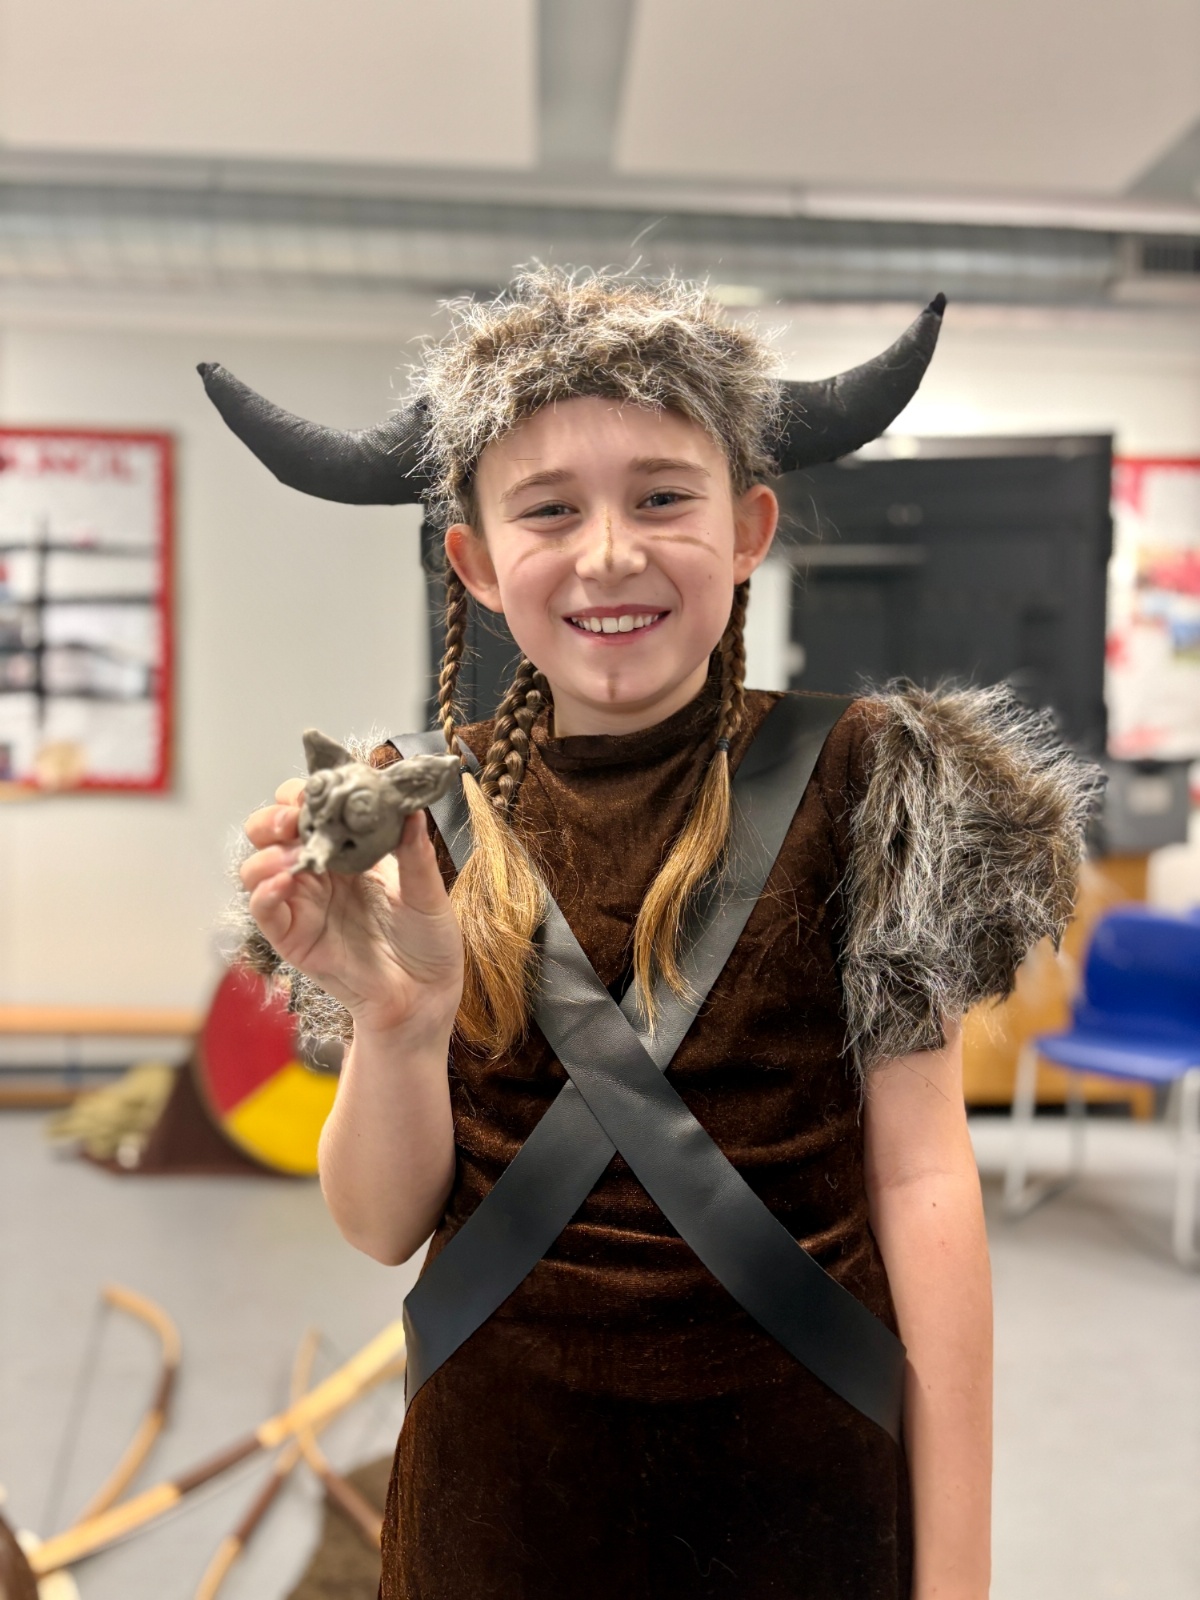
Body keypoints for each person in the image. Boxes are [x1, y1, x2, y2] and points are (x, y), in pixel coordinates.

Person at [222, 269, 1096, 1599]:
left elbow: (924, 1178)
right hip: (496, 1508)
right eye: (549, 509)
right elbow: (380, 1224)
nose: (610, 553)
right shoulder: (419, 814)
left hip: (806, 1498)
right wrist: (396, 1026)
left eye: (662, 497)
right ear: (476, 561)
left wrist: (956, 1571)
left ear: (749, 528)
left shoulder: (867, 783)